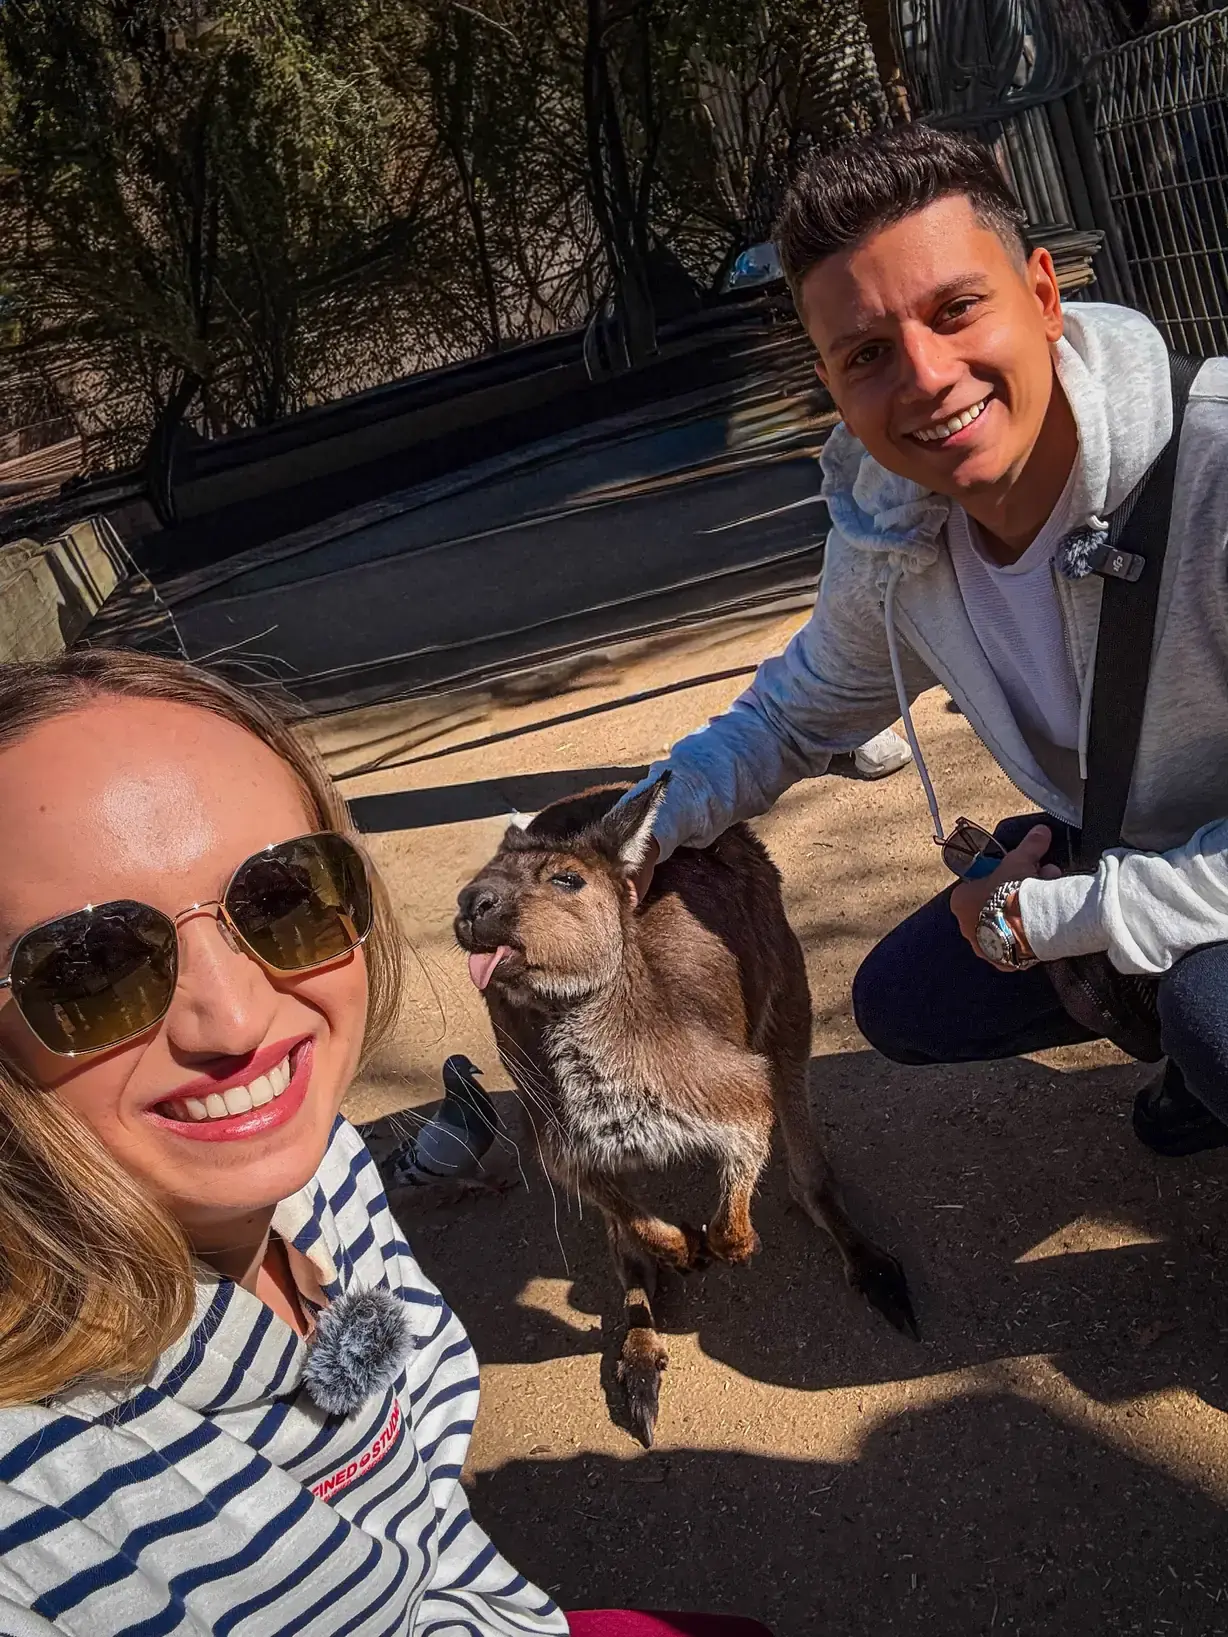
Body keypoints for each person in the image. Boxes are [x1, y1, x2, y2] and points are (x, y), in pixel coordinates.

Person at [0, 649, 773, 1637]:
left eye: (281, 895)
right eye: (89, 963)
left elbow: (410, 1501)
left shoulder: (312, 1159)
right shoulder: (39, 1498)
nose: (235, 1020)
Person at [627, 124, 1228, 1156]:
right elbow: (788, 714)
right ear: (832, 386)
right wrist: (618, 838)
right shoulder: (896, 535)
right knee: (909, 1002)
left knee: (1214, 1015)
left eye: (956, 310)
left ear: (1042, 295)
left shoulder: (1213, 470)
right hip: (1138, 840)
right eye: (865, 353)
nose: (924, 375)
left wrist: (1056, 919)